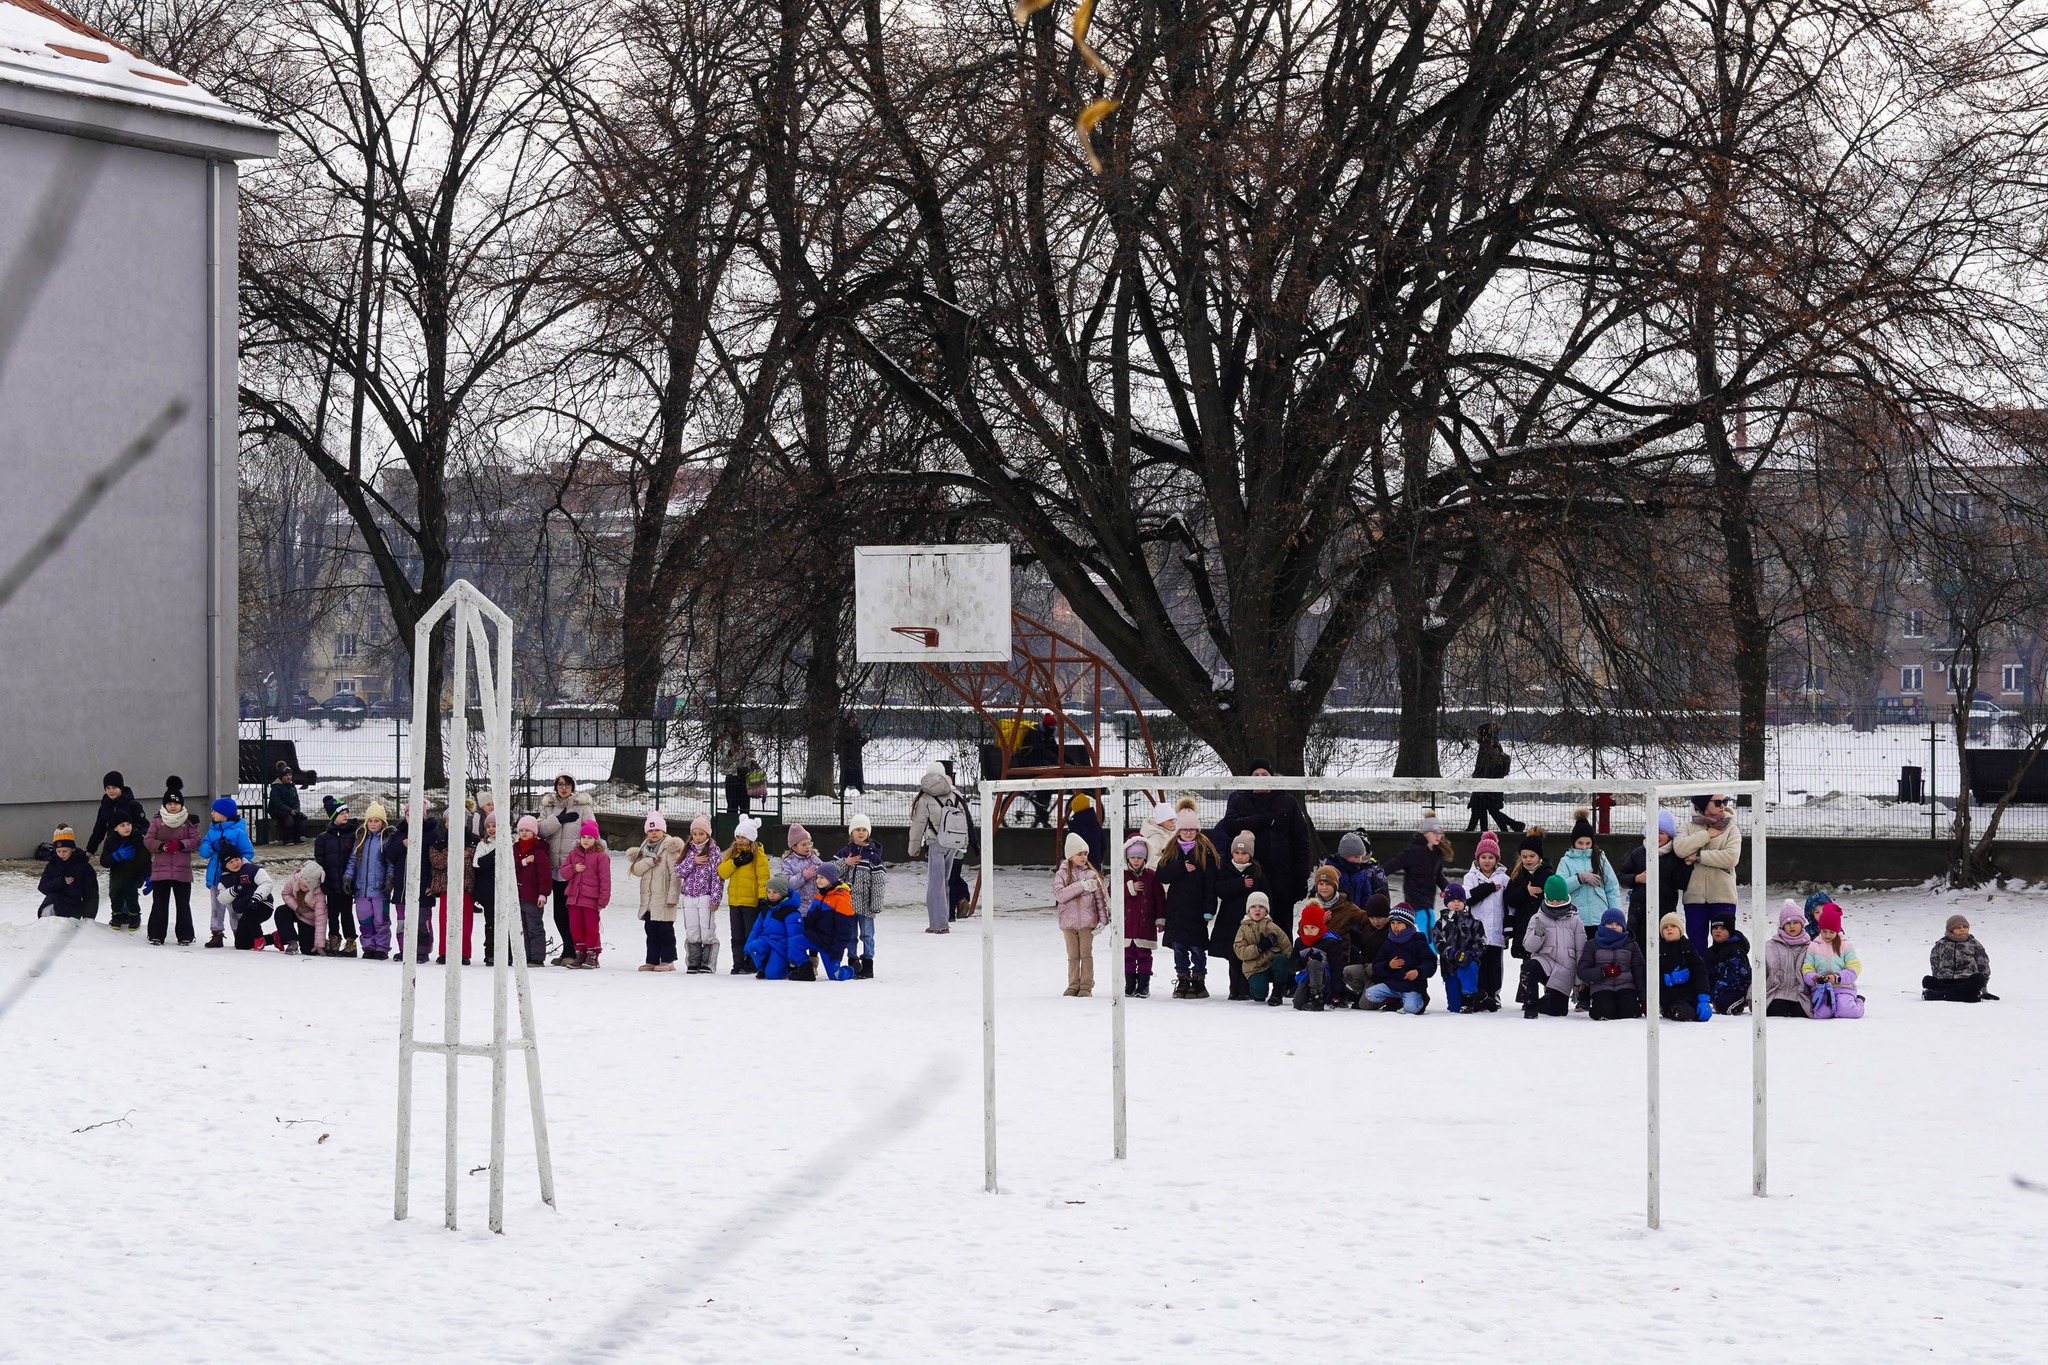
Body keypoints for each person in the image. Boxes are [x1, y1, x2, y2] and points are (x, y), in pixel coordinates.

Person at [1210, 760, 1314, 932]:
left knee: (1281, 929)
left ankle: (1282, 959)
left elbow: (1301, 842)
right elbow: (1229, 827)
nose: (1260, 779)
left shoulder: (1288, 802)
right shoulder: (1240, 801)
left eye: (1264, 775)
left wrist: (1300, 878)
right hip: (1249, 878)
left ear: (1272, 777)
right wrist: (1263, 820)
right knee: (1249, 930)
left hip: (1281, 878)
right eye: (1256, 775)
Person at [1156, 807, 1220, 999]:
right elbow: (1162, 875)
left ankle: (1198, 980)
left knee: (1197, 948)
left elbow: (1211, 884)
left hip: (1197, 910)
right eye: (1185, 830)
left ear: (1198, 831)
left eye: (1192, 830)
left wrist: (1209, 910)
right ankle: (1182, 979)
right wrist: (1181, 867)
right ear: (1178, 831)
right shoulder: (1171, 851)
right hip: (1176, 910)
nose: (1188, 833)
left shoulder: (1205, 853)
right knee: (1179, 947)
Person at [537, 774, 597, 967]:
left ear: (573, 786)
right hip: (554, 866)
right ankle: (567, 948)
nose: (564, 788)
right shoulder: (548, 807)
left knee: (572, 911)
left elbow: (592, 833)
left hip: (575, 868)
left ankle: (574, 950)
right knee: (559, 913)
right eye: (560, 784)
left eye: (567, 784)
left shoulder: (583, 807)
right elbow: (540, 830)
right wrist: (558, 819)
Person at [1671, 793, 1741, 951]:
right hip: (1694, 898)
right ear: (1703, 803)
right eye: (1717, 802)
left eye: (1725, 801)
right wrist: (1706, 835)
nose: (1722, 806)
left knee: (1724, 946)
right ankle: (1700, 976)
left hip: (1724, 897)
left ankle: (1721, 975)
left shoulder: (1731, 828)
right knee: (1696, 946)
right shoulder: (1687, 827)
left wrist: (1698, 856)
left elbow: (1731, 857)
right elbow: (1680, 848)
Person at [1208, 831, 1269, 1000]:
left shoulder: (1257, 873)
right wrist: (1240, 884)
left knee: (1248, 957)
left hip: (1250, 924)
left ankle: (1246, 989)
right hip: (1229, 922)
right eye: (1237, 852)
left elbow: (1265, 896)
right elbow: (1220, 889)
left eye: (1244, 853)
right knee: (1233, 957)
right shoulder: (1226, 869)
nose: (1240, 856)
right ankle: (1234, 989)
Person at [908, 761, 967, 934]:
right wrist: (963, 843)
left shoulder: (924, 798)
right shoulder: (954, 795)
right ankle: (946, 917)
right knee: (945, 882)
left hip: (936, 843)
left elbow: (918, 826)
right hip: (953, 843)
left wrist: (914, 848)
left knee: (935, 884)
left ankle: (938, 924)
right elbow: (964, 820)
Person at [1618, 810, 1691, 945]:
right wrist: (1636, 878)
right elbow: (1622, 877)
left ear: (1669, 836)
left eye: (1661, 833)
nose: (1656, 836)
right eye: (1653, 831)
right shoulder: (1638, 853)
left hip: (1664, 910)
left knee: (1663, 946)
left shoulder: (1675, 856)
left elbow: (1682, 883)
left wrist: (1687, 865)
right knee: (1637, 945)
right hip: (1638, 911)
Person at [1051, 833, 1109, 997]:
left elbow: (1100, 899)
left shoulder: (1092, 874)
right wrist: (1081, 886)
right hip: (1068, 924)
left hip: (1087, 923)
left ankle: (1086, 986)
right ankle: (1073, 985)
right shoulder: (1061, 874)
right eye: (1079, 854)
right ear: (1070, 855)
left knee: (1086, 954)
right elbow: (1059, 895)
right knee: (1073, 956)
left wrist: (1103, 921)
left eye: (1085, 854)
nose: (1083, 857)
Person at [1557, 810, 1624, 944]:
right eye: (1580, 843)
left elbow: (1612, 888)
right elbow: (1559, 888)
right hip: (1575, 920)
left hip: (1599, 919)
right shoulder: (1566, 861)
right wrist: (1579, 878)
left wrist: (1615, 916)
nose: (1584, 847)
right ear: (1573, 842)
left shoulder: (1600, 859)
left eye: (1588, 843)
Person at [629, 811, 684, 973]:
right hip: (649, 900)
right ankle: (651, 960)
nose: (654, 833)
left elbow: (676, 874)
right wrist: (650, 861)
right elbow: (636, 870)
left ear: (664, 831)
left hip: (665, 898)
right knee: (651, 931)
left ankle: (668, 960)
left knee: (665, 931)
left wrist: (673, 896)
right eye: (651, 830)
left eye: (657, 830)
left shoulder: (669, 848)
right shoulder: (644, 848)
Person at [1380, 815, 1450, 943]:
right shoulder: (1415, 851)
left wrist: (1448, 889)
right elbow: (1394, 864)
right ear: (1426, 833)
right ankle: (1431, 956)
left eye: (1440, 833)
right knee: (1428, 928)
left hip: (1428, 899)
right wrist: (1377, 874)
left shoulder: (1436, 853)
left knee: (1420, 929)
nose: (1438, 836)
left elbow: (1438, 875)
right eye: (1435, 833)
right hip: (1416, 898)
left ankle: (1420, 956)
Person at [145, 784, 200, 945]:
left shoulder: (189, 821)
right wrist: (161, 846)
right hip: (161, 870)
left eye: (176, 803)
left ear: (181, 805)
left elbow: (196, 841)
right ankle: (156, 934)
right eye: (169, 804)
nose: (173, 806)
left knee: (183, 904)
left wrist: (181, 845)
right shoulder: (157, 821)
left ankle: (186, 935)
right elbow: (148, 840)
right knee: (160, 904)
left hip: (181, 871)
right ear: (164, 805)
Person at [198, 797, 255, 948]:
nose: (212, 813)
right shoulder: (212, 831)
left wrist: (235, 864)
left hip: (232, 879)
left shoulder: (238, 832)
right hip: (216, 877)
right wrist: (215, 846)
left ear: (225, 813)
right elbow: (203, 851)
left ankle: (239, 933)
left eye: (215, 811)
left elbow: (248, 853)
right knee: (216, 907)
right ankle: (216, 933)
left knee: (234, 907)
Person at [719, 814, 773, 973]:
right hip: (735, 902)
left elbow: (763, 878)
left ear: (751, 837)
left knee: (750, 934)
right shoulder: (732, 853)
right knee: (736, 936)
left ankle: (751, 963)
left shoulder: (759, 856)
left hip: (750, 903)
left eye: (743, 837)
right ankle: (738, 964)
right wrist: (736, 862)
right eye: (738, 836)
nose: (740, 839)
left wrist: (763, 898)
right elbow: (722, 872)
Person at [1519, 876, 1580, 1018]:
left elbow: (1581, 949)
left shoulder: (1575, 920)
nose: (1555, 904)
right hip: (1544, 962)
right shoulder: (1537, 917)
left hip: (1565, 968)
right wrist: (1538, 934)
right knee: (1528, 968)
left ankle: (1547, 1000)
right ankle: (1530, 1006)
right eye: (1552, 900)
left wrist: (1578, 980)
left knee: (1558, 1011)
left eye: (1559, 901)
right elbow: (1528, 947)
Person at [1463, 832, 1510, 1010]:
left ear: (1496, 859)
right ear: (1477, 858)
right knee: (1479, 965)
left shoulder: (1504, 879)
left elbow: (1509, 905)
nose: (1487, 861)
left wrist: (1508, 929)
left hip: (1497, 931)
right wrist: (1488, 888)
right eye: (1483, 857)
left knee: (1495, 966)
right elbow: (1468, 897)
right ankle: (1480, 993)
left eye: (1491, 857)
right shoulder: (1471, 877)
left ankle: (1494, 994)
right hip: (1477, 932)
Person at [836, 814, 886, 979]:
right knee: (850, 934)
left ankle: (868, 964)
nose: (861, 832)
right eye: (857, 829)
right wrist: (846, 863)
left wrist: (876, 903)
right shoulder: (844, 853)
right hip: (847, 904)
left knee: (867, 935)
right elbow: (830, 871)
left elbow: (878, 882)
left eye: (864, 829)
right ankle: (853, 961)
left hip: (866, 904)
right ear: (851, 832)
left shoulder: (873, 856)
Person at [348, 803, 400, 960]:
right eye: (370, 821)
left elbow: (390, 863)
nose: (373, 824)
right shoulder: (360, 839)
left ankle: (382, 948)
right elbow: (352, 861)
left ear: (382, 822)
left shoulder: (386, 840)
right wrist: (348, 877)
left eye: (376, 821)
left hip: (379, 889)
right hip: (361, 890)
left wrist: (390, 879)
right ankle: (369, 947)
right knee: (365, 920)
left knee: (381, 920)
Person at [1364, 906, 1438, 1013]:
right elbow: (1376, 965)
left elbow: (1430, 962)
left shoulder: (1418, 942)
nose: (1395, 926)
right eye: (1393, 923)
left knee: (1411, 1008)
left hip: (1412, 987)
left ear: (1407, 924)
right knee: (1370, 994)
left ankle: (1421, 999)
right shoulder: (1388, 942)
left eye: (1399, 923)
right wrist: (1388, 965)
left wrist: (1418, 972)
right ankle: (1394, 1000)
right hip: (1392, 985)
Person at [1577, 907, 1644, 1021]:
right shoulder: (1592, 944)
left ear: (1623, 926)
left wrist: (1644, 1000)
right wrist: (1603, 972)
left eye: (1617, 924)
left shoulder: (1631, 945)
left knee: (1630, 1012)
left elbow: (1639, 972)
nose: (1614, 926)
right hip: (1601, 987)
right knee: (1604, 1011)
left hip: (1626, 987)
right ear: (1603, 925)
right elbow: (1582, 971)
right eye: (1610, 923)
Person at [677, 814, 723, 973]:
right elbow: (678, 871)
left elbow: (718, 877)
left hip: (706, 897)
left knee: (707, 928)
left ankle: (708, 962)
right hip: (689, 896)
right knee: (692, 929)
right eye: (695, 834)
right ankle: (693, 961)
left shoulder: (714, 852)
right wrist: (693, 861)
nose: (697, 837)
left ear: (708, 834)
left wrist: (715, 899)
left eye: (701, 834)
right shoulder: (688, 851)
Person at [562, 819, 611, 969]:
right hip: (574, 898)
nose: (586, 840)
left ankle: (592, 953)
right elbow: (563, 872)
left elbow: (605, 880)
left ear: (595, 839)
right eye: (584, 837)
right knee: (576, 927)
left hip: (591, 899)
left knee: (591, 927)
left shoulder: (600, 856)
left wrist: (603, 900)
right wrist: (573, 868)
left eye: (589, 837)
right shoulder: (573, 854)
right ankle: (580, 952)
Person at [1120, 835, 1165, 998]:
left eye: (1139, 857)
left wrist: (1160, 918)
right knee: (1128, 956)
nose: (1136, 861)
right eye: (1132, 857)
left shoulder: (1152, 876)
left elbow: (1160, 898)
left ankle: (1144, 985)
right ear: (1127, 857)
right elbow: (1112, 893)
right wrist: (1129, 888)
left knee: (1144, 956)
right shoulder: (1122, 875)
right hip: (1127, 925)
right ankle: (1130, 984)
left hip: (1145, 926)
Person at [1803, 903, 1864, 1020]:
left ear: (1837, 930)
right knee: (1821, 1014)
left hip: (1843, 987)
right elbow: (1807, 968)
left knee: (1849, 1011)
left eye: (1831, 932)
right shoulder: (1813, 946)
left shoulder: (1846, 945)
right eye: (1824, 931)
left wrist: (1837, 977)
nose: (1827, 935)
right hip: (1822, 989)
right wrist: (1814, 978)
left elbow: (1854, 968)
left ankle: (1859, 1000)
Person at [311, 803, 358, 956]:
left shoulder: (353, 834)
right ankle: (334, 939)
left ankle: (351, 941)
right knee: (332, 913)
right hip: (330, 883)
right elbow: (320, 861)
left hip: (346, 883)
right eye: (341, 813)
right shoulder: (323, 838)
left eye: (346, 812)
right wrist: (324, 881)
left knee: (347, 913)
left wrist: (351, 880)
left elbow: (355, 859)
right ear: (332, 816)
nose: (345, 815)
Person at [800, 862, 859, 980]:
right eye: (817, 877)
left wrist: (837, 950)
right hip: (816, 939)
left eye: (822, 877)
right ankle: (804, 968)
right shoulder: (818, 897)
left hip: (831, 946)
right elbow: (808, 923)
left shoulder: (841, 900)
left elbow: (845, 930)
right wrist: (811, 918)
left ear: (831, 879)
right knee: (794, 942)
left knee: (836, 976)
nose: (818, 880)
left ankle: (852, 970)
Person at [744, 876, 811, 980]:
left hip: (781, 947)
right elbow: (756, 930)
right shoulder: (766, 909)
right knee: (753, 946)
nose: (771, 895)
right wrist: (747, 951)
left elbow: (794, 937)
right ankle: (763, 969)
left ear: (782, 892)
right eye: (769, 892)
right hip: (766, 941)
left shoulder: (790, 912)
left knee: (773, 976)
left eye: (775, 892)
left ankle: (787, 969)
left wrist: (791, 959)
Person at [1464, 719, 1524, 832]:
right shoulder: (1494, 746)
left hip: (1485, 788)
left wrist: (1479, 787)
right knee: (1487, 810)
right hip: (1490, 787)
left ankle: (1479, 832)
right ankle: (1511, 826)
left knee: (1482, 810)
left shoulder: (1486, 748)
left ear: (1484, 734)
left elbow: (1483, 769)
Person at [1234, 892, 1292, 1006]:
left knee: (1281, 959)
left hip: (1272, 964)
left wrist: (1288, 967)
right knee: (1260, 993)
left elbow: (1287, 947)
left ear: (1266, 910)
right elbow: (1240, 951)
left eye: (1261, 907)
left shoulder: (1272, 927)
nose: (1257, 909)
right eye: (1253, 907)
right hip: (1254, 968)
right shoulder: (1243, 929)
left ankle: (1277, 994)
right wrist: (1259, 948)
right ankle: (1257, 990)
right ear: (1248, 910)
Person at [510, 814, 553, 967]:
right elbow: (510, 866)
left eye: (528, 830)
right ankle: (525, 955)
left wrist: (543, 894)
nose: (524, 833)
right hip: (517, 896)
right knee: (521, 928)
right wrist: (523, 862)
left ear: (534, 833)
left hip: (532, 896)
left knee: (534, 928)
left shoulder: (539, 852)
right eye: (521, 830)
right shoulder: (515, 849)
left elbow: (545, 875)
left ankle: (536, 957)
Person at [1337, 894, 1394, 1008]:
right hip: (1369, 970)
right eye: (1372, 918)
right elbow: (1365, 946)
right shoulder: (1368, 928)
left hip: (1385, 975)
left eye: (1379, 918)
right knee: (1347, 971)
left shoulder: (1392, 932)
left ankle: (1391, 998)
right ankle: (1363, 992)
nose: (1375, 921)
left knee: (1365, 1005)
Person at [1501, 828, 1549, 963]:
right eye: (1524, 856)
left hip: (1542, 930)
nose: (1528, 860)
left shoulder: (1548, 874)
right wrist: (1525, 892)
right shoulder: (1518, 875)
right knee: (1526, 974)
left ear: (1539, 856)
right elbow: (1508, 898)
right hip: (1523, 929)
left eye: (1532, 856)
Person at [1436, 884, 1486, 1013]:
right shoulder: (1441, 923)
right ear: (1447, 902)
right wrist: (1452, 953)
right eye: (1452, 901)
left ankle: (1469, 999)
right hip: (1449, 966)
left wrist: (1470, 954)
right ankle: (1480, 997)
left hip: (1468, 962)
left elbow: (1481, 942)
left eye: (1459, 901)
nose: (1456, 904)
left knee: (1469, 971)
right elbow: (1438, 943)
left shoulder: (1474, 922)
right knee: (1454, 1008)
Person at [1654, 912, 1712, 1022]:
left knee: (1700, 1014)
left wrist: (1704, 998)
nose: (1669, 929)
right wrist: (1668, 979)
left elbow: (1700, 973)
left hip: (1690, 994)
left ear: (1680, 930)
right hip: (1669, 997)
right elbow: (1650, 977)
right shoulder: (1658, 950)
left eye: (1673, 926)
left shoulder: (1689, 948)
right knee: (1684, 1013)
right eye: (1665, 927)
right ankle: (1668, 1010)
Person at [1925, 913, 1996, 1002]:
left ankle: (1941, 994)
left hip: (1966, 980)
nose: (1962, 930)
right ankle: (1968, 996)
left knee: (1978, 979)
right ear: (1950, 930)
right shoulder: (1941, 945)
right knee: (1927, 980)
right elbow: (1935, 965)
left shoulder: (1974, 944)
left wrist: (1984, 991)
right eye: (1958, 928)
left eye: (1965, 927)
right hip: (1945, 980)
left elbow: (1983, 966)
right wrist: (1937, 978)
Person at [215, 851, 276, 949]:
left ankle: (258, 938)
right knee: (241, 944)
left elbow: (267, 883)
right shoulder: (224, 878)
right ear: (225, 865)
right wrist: (233, 890)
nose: (235, 863)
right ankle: (274, 938)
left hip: (262, 904)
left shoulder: (252, 869)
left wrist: (256, 897)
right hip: (244, 911)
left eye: (236, 860)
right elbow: (221, 898)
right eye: (230, 862)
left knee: (250, 912)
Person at [99, 811, 148, 932]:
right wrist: (115, 856)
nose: (127, 827)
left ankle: (134, 916)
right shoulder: (110, 841)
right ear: (115, 828)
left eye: (128, 824)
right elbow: (104, 861)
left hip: (134, 873)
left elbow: (146, 859)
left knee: (131, 895)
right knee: (115, 895)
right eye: (122, 825)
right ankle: (116, 915)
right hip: (117, 874)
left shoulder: (137, 838)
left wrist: (148, 875)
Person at [1764, 902, 1814, 1017]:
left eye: (1796, 922)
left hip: (1800, 995)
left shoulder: (1810, 947)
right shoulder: (1771, 946)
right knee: (1776, 1011)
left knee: (1800, 1013)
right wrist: (1752, 997)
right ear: (1782, 926)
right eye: (1788, 923)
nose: (1792, 926)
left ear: (1802, 924)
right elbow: (1760, 973)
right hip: (1776, 994)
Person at [37, 826, 98, 918]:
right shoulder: (52, 865)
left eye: (65, 851)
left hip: (73, 909)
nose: (61, 854)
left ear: (73, 849)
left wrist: (89, 918)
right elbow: (43, 887)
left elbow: (91, 895)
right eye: (58, 851)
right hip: (51, 904)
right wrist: (61, 881)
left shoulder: (84, 867)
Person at [273, 861, 328, 956]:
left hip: (308, 918)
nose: (302, 887)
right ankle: (292, 942)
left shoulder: (320, 895)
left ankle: (324, 943)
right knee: (281, 911)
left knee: (308, 950)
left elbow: (321, 919)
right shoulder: (295, 879)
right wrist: (296, 907)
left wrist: (319, 944)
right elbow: (286, 893)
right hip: (296, 910)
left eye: (306, 886)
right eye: (301, 884)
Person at [85, 771, 144, 857]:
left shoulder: (133, 805)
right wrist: (90, 850)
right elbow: (99, 830)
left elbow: (144, 825)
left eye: (114, 787)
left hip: (132, 847)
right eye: (108, 788)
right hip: (114, 848)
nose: (111, 791)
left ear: (121, 788)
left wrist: (139, 838)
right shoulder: (104, 807)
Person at [1324, 831, 1387, 909]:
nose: (1359, 860)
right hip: (1335, 916)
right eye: (1356, 857)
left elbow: (1366, 895)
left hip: (1356, 915)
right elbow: (1320, 893)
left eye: (1360, 857)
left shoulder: (1361, 872)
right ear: (1345, 855)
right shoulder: (1331, 870)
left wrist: (1365, 913)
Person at [1290, 904, 1335, 1011]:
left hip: (1325, 978)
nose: (1309, 931)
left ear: (1320, 927)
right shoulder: (1299, 942)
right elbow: (1292, 965)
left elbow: (1337, 967)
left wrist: (1336, 991)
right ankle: (1309, 995)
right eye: (1306, 927)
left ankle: (1317, 998)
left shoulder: (1329, 941)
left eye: (1313, 927)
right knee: (1298, 1004)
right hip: (1306, 976)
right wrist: (1303, 961)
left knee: (1314, 963)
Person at [1706, 913, 1753, 1014]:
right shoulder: (1710, 952)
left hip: (1736, 991)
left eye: (1723, 928)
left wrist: (1714, 994)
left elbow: (1735, 979)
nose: (1718, 931)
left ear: (1730, 931)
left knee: (1724, 1005)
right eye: (1715, 928)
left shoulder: (1736, 951)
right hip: (1715, 992)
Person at [266, 761, 306, 844]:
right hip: (277, 810)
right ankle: (287, 839)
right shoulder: (276, 787)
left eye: (290, 775)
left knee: (299, 817)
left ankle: (297, 838)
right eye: (286, 775)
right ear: (281, 777)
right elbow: (277, 802)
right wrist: (289, 810)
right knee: (289, 819)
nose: (288, 777)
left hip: (291, 810)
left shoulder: (292, 786)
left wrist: (296, 809)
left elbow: (296, 800)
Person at [1067, 794, 1108, 867]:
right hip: (1095, 864)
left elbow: (1071, 844)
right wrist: (1099, 859)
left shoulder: (1075, 825)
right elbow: (1103, 843)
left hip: (1079, 864)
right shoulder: (1095, 823)